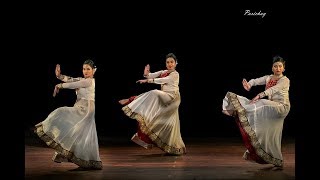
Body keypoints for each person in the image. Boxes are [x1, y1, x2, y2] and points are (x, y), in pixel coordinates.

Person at [222, 55, 290, 169]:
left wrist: (260, 95)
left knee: (261, 102)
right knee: (268, 134)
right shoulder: (269, 78)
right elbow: (256, 80)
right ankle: (277, 160)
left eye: (280, 66)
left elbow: (273, 89)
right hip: (272, 109)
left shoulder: (285, 80)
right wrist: (249, 84)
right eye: (275, 66)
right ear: (272, 68)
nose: (278, 68)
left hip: (281, 107)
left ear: (284, 68)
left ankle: (239, 111)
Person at [34, 59, 103, 170]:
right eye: (84, 69)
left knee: (64, 115)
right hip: (79, 107)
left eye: (88, 69)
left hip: (86, 110)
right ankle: (69, 155)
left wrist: (59, 86)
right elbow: (71, 80)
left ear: (93, 70)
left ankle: (77, 157)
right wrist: (59, 76)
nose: (85, 71)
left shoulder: (89, 81)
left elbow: (74, 84)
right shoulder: (82, 79)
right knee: (75, 132)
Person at [119, 53, 187, 155]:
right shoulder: (164, 72)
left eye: (172, 62)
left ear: (176, 63)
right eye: (167, 62)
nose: (169, 64)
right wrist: (146, 74)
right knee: (167, 123)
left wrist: (148, 81)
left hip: (172, 98)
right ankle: (174, 148)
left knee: (154, 92)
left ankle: (132, 99)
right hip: (164, 97)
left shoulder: (175, 74)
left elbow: (162, 80)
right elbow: (151, 75)